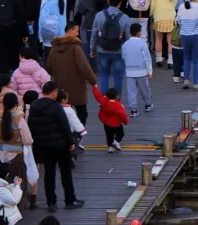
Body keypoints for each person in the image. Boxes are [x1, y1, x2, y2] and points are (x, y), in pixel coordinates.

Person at [27, 82, 83, 210]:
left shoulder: (34, 106)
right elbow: (64, 127)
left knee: (49, 174)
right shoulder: (57, 107)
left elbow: (32, 125)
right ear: (53, 92)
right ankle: (70, 200)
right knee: (65, 173)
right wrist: (71, 142)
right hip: (60, 145)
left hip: (44, 146)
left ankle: (51, 202)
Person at [46, 21, 96, 127]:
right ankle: (77, 136)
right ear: (71, 30)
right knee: (82, 113)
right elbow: (84, 67)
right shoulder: (75, 48)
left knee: (63, 114)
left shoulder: (53, 49)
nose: (78, 34)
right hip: (77, 87)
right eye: (76, 31)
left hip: (60, 87)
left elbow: (49, 68)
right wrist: (93, 81)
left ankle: (66, 134)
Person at [91, 0, 131, 96]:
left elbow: (94, 34)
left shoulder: (99, 15)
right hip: (118, 51)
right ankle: (116, 99)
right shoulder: (125, 18)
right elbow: (128, 38)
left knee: (104, 74)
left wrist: (92, 49)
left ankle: (103, 100)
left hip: (102, 49)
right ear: (120, 3)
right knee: (118, 76)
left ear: (108, 1)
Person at [149, 0, 181, 69]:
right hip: (170, 17)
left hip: (158, 17)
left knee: (158, 39)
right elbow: (175, 3)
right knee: (170, 40)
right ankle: (170, 61)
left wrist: (151, 14)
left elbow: (152, 3)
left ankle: (158, 59)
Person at [122, 22, 153, 116]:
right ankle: (148, 104)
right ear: (139, 32)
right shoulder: (142, 43)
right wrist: (150, 71)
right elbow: (147, 58)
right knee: (144, 89)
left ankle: (133, 109)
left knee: (131, 90)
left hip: (130, 71)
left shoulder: (125, 44)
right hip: (141, 71)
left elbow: (124, 56)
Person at [93, 85, 128, 151]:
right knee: (120, 134)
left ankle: (110, 147)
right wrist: (125, 121)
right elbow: (122, 114)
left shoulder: (104, 102)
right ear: (116, 97)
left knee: (109, 136)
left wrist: (94, 87)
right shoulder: (118, 106)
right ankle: (116, 142)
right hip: (117, 124)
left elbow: (98, 96)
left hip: (107, 124)